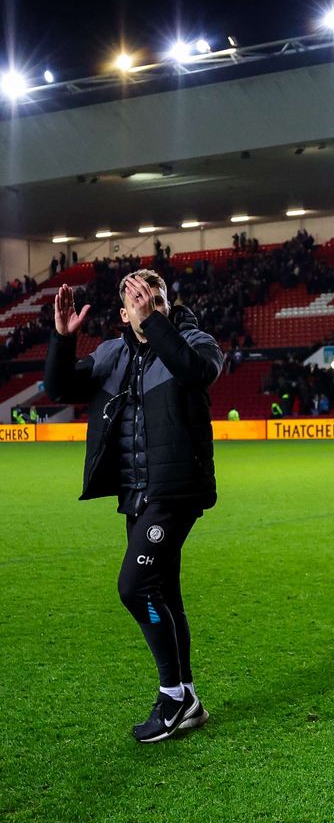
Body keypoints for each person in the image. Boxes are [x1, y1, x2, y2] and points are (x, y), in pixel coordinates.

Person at [44, 270, 223, 743]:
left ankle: (172, 696)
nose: (148, 305)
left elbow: (197, 372)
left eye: (156, 298)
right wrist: (64, 340)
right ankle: (188, 696)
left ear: (166, 305)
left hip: (175, 489)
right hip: (136, 494)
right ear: (123, 314)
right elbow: (59, 388)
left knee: (136, 586)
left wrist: (156, 323)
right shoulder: (112, 354)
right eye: (138, 300)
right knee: (164, 592)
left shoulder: (194, 340)